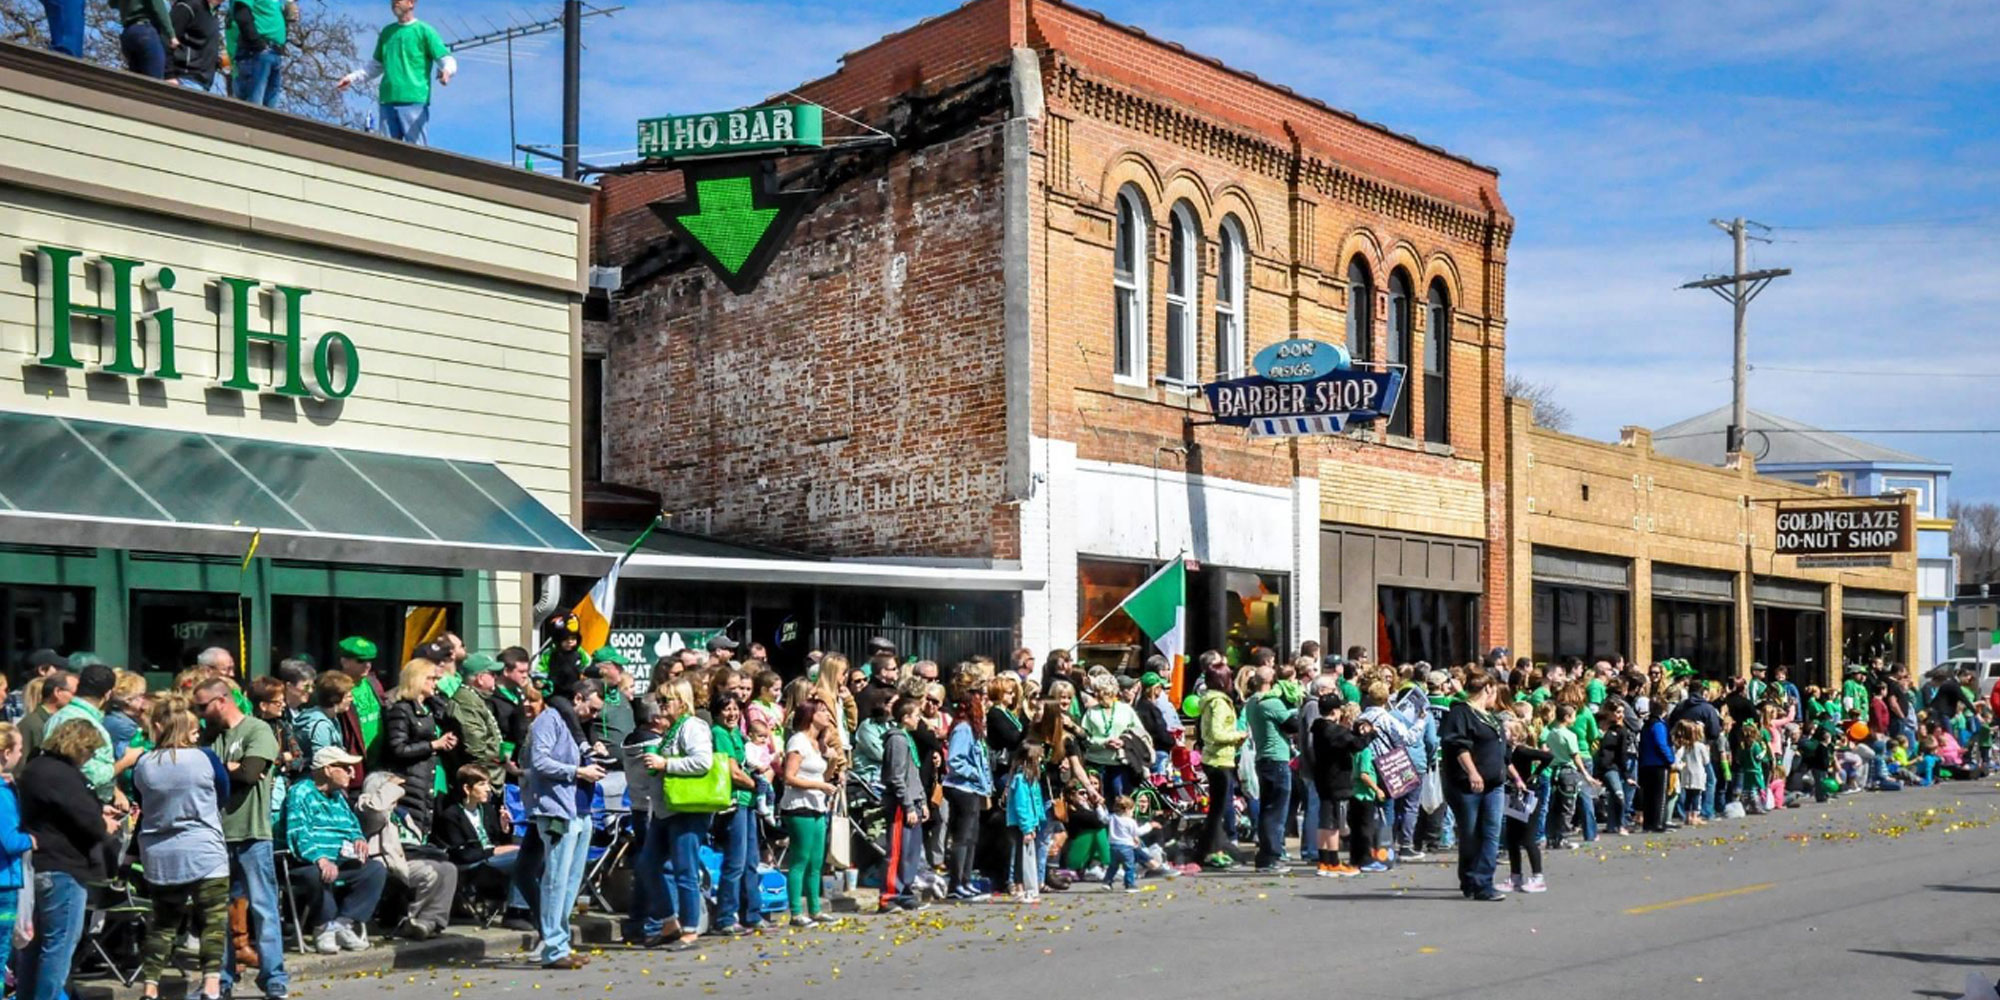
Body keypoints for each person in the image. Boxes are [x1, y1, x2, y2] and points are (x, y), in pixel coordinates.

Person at [133, 695, 231, 1000]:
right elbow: (222, 793)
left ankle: (150, 987)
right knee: (212, 921)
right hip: (206, 849)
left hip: (160, 852)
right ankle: (212, 984)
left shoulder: (144, 764)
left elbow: (140, 799)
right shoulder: (206, 759)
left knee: (162, 924)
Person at [196, 677, 289, 999]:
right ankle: (219, 980)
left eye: (203, 706)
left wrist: (221, 769)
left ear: (221, 700)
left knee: (263, 909)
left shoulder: (257, 730)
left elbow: (250, 774)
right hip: (215, 836)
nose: (199, 713)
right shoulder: (209, 736)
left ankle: (274, 978)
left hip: (251, 834)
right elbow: (198, 775)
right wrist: (228, 768)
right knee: (216, 913)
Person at [20, 720, 118, 1000]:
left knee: (34, 945)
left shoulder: (35, 767)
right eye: (88, 751)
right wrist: (104, 823)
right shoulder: (62, 774)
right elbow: (88, 821)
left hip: (36, 866)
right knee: (60, 945)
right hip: (62, 867)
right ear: (79, 746)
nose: (88, 758)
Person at [523, 678, 606, 969]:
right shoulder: (550, 720)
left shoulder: (578, 725)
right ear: (578, 698)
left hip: (581, 810)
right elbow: (540, 762)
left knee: (570, 883)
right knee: (555, 880)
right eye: (592, 709)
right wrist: (579, 771)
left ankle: (560, 942)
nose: (594, 716)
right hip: (557, 810)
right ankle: (553, 948)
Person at [284, 747, 387, 954]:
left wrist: (358, 838)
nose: (352, 773)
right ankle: (323, 927)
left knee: (376, 869)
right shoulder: (301, 792)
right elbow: (298, 832)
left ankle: (342, 924)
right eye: (346, 768)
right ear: (328, 769)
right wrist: (319, 858)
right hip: (308, 862)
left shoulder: (339, 796)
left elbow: (351, 825)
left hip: (339, 859)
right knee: (319, 874)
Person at [354, 769, 457, 940]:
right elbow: (377, 810)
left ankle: (428, 922)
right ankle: (409, 921)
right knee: (430, 872)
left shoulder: (401, 814)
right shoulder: (365, 806)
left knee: (449, 869)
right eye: (393, 789)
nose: (400, 793)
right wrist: (390, 786)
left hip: (413, 857)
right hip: (388, 862)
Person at [337, 0, 457, 144]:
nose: (394, 3)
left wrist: (447, 71)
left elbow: (446, 59)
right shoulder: (387, 33)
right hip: (387, 100)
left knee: (416, 152)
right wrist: (352, 78)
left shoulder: (424, 31)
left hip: (414, 101)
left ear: (411, 3)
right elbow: (376, 66)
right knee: (387, 152)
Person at [1438, 672, 1507, 901]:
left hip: (1494, 783)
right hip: (1467, 784)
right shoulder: (1461, 713)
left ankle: (1483, 882)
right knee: (1470, 833)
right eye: (1494, 691)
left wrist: (1514, 776)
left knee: (1490, 832)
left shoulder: (1491, 717)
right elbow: (1458, 745)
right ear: (1487, 688)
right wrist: (1472, 771)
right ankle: (1469, 878)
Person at [778, 697, 841, 926]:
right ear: (811, 714)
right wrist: (820, 786)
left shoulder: (818, 744)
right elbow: (790, 777)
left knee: (816, 859)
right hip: (799, 806)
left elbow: (821, 776)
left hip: (817, 804)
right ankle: (796, 911)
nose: (827, 716)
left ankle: (815, 908)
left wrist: (832, 764)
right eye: (822, 711)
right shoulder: (798, 741)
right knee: (800, 858)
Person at [707, 689, 763, 935]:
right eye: (725, 709)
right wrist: (755, 784)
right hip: (734, 802)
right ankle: (726, 917)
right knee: (735, 862)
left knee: (751, 861)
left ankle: (752, 914)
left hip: (748, 802)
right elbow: (732, 771)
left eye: (734, 709)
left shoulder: (736, 734)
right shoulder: (719, 734)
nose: (731, 714)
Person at [379, 658, 455, 837]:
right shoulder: (402, 710)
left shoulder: (432, 707)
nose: (436, 683)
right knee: (416, 828)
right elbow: (398, 748)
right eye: (432, 678)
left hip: (434, 777)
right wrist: (433, 745)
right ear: (418, 679)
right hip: (414, 780)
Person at [47, 663, 138, 805]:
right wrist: (126, 761)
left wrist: (115, 791)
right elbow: (91, 775)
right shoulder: (88, 725)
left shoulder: (57, 717)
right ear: (108, 694)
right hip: (83, 805)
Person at [432, 765, 519, 909]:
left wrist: (505, 829)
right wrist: (493, 851)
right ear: (467, 788)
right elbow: (461, 854)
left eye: (489, 784)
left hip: (491, 859)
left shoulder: (486, 810)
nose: (488, 789)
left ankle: (527, 908)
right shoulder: (452, 815)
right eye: (482, 784)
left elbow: (499, 842)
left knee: (532, 856)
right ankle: (516, 910)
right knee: (523, 859)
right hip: (473, 864)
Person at [880, 694, 934, 912]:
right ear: (904, 718)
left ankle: (905, 891)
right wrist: (908, 805)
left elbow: (914, 774)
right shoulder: (897, 740)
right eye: (916, 716)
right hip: (901, 806)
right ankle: (889, 896)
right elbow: (897, 777)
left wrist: (921, 801)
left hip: (913, 801)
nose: (919, 720)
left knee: (911, 852)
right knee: (897, 852)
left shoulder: (908, 739)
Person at [1310, 696, 1372, 877]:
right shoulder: (1334, 731)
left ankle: (1323, 861)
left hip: (1322, 778)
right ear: (1335, 711)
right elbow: (1357, 744)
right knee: (1334, 823)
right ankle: (1334, 862)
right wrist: (1369, 733)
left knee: (1325, 820)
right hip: (1337, 780)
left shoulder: (1318, 727)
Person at [1243, 668, 1297, 872]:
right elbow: (1292, 725)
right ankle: (1272, 856)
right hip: (1277, 759)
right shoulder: (1271, 703)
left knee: (1268, 807)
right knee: (1276, 810)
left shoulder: (1251, 702)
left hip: (1263, 758)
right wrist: (1294, 708)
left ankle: (1265, 855)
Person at [1195, 663, 1244, 869]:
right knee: (1218, 810)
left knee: (1218, 808)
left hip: (1218, 758)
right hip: (1219, 759)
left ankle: (1208, 850)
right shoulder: (1219, 703)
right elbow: (1215, 733)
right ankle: (1211, 852)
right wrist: (1238, 735)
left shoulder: (1214, 701)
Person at [1502, 719, 1554, 893]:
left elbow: (1548, 756)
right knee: (1511, 837)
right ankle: (1515, 876)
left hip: (1528, 795)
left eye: (1506, 731)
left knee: (1528, 837)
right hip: (1513, 796)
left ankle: (1538, 877)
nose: (1503, 734)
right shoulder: (1507, 750)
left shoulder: (1523, 751)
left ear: (1516, 736)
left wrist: (1536, 773)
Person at [1079, 676, 1144, 802]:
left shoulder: (1125, 710)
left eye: (1101, 692)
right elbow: (1084, 737)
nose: (1097, 695)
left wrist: (1123, 741)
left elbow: (1139, 732)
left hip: (1120, 763)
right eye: (1096, 691)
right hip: (1096, 763)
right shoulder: (1091, 712)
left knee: (1120, 800)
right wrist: (1102, 743)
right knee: (1098, 800)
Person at [0, 724, 28, 979]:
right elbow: (10, 841)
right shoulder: (2, 794)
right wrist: (33, 838)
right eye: (19, 749)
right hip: (3, 883)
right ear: (6, 753)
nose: (21, 754)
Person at [451, 652, 505, 785]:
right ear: (480, 678)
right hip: (482, 780)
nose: (496, 678)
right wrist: (483, 778)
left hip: (492, 776)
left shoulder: (476, 698)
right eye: (492, 674)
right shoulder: (467, 701)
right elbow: (475, 746)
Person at [1005, 741, 1047, 902]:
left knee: (1028, 857)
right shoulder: (1020, 780)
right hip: (1021, 825)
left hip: (1030, 823)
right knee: (1022, 858)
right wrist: (1027, 827)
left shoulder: (1031, 779)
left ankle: (1027, 888)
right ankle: (1020, 888)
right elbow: (1022, 806)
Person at [111, 0, 178, 78]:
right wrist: (171, 35)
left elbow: (112, 4)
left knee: (137, 81)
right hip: (145, 32)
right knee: (155, 82)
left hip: (128, 34)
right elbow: (160, 9)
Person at [166, 0, 223, 90]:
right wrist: (169, 75)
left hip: (204, 82)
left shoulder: (213, 12)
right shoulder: (188, 6)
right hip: (184, 79)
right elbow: (167, 38)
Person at [1637, 701, 1674, 832]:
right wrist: (1670, 759)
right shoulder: (1658, 725)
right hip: (1658, 763)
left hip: (1646, 763)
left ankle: (1648, 823)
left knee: (1648, 795)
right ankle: (1658, 823)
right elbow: (1661, 744)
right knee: (1660, 795)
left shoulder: (1646, 725)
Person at [1102, 795, 1149, 892]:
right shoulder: (1130, 821)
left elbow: (1103, 818)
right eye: (1132, 810)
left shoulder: (1112, 817)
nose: (1132, 813)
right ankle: (1129, 885)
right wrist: (1149, 826)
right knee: (1129, 867)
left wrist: (1099, 807)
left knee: (1113, 866)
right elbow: (1137, 832)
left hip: (1113, 847)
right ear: (1127, 809)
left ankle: (1107, 882)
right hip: (1126, 847)